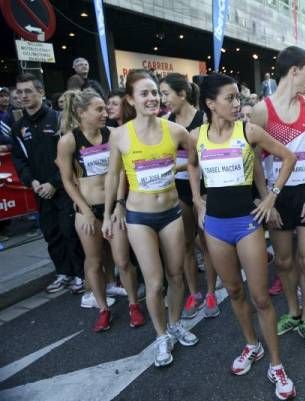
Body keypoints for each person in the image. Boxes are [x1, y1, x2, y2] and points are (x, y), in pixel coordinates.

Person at [188, 73, 297, 401]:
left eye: (238, 97)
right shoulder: (197, 136)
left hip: (247, 224)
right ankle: (252, 345)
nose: (238, 104)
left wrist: (271, 197)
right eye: (230, 98)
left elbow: (288, 156)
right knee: (234, 291)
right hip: (216, 227)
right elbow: (192, 165)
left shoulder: (248, 130)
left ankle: (276, 365)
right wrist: (197, 200)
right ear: (210, 104)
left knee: (261, 297)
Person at [102, 69, 198, 367]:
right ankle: (160, 336)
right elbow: (113, 176)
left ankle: (175, 323)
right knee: (155, 284)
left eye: (155, 92)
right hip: (139, 217)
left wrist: (196, 197)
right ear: (131, 99)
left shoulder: (175, 131)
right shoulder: (120, 135)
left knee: (176, 275)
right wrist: (110, 212)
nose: (152, 98)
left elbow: (194, 162)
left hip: (171, 213)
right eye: (144, 93)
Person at [251, 46, 305, 350]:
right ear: (294, 70)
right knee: (283, 260)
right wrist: (266, 198)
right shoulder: (262, 110)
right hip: (278, 195)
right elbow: (254, 159)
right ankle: (293, 313)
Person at [55, 89, 143, 331]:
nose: (105, 113)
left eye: (105, 108)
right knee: (93, 262)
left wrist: (120, 204)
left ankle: (134, 305)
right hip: (87, 210)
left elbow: (123, 171)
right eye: (99, 110)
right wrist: (83, 210)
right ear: (82, 113)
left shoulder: (113, 134)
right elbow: (67, 180)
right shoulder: (68, 141)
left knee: (122, 261)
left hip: (114, 207)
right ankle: (103, 309)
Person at [11, 73, 85, 294]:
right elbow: (19, 160)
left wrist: (54, 182)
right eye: (20, 92)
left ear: (41, 93)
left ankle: (81, 275)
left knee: (69, 231)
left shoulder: (59, 119)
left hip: (64, 189)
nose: (23, 96)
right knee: (52, 233)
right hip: (39, 191)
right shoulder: (18, 127)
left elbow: (71, 157)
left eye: (28, 91)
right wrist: (31, 181)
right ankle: (64, 273)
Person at [159, 73, 220, 319]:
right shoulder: (166, 121)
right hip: (178, 189)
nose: (163, 100)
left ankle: (211, 293)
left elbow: (205, 156)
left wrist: (177, 166)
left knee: (207, 243)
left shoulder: (203, 118)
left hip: (205, 186)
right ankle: (194, 293)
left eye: (166, 94)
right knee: (186, 244)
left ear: (182, 94)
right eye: (161, 94)